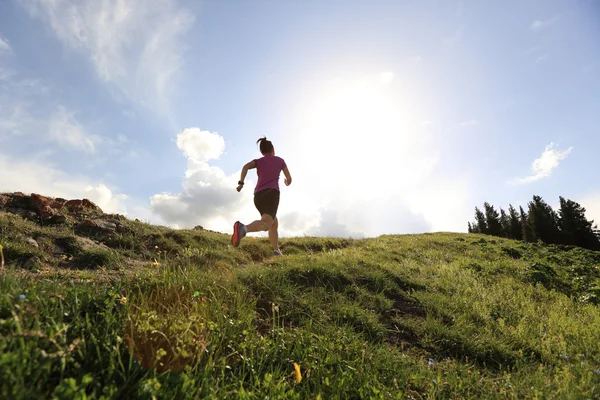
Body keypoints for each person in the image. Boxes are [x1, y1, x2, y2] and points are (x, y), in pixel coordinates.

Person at [231, 137, 292, 255]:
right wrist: (287, 181)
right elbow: (289, 179)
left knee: (273, 222)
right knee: (266, 224)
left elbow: (245, 167)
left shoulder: (258, 161)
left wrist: (241, 183)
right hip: (271, 194)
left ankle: (276, 251)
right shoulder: (280, 161)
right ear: (273, 149)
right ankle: (243, 229)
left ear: (262, 152)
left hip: (258, 196)